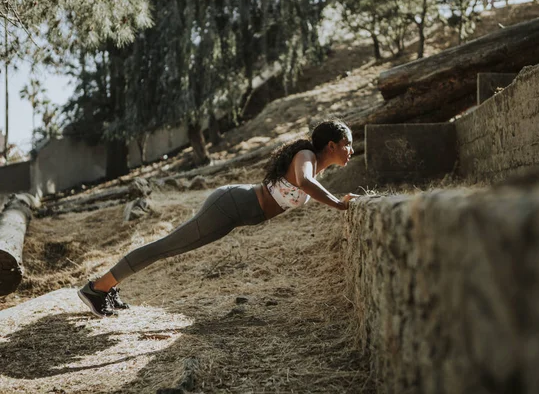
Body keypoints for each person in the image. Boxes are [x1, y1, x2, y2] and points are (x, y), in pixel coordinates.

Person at [78, 119, 358, 317]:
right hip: (229, 205)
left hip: (233, 211)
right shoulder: (306, 156)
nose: (351, 150)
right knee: (166, 247)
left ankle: (106, 286)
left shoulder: (312, 161)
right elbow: (304, 182)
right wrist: (337, 203)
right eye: (348, 144)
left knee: (169, 248)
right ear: (331, 145)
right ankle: (97, 288)